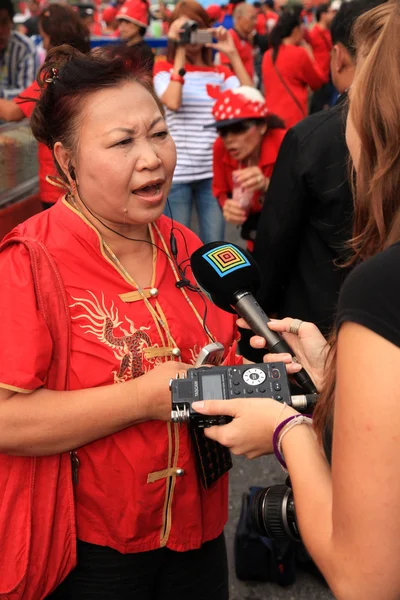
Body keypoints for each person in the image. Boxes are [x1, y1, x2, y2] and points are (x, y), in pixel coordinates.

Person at [0, 45, 241, 600]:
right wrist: (144, 398)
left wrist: (265, 374)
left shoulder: (187, 245)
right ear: (65, 161)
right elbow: (8, 420)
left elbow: (210, 366)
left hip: (200, 534)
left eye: (158, 133)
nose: (153, 157)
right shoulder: (31, 262)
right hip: (90, 553)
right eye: (122, 142)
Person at [193, 3, 400, 598]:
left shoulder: (381, 288)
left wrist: (286, 429)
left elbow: (366, 579)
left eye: (354, 105)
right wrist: (334, 370)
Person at [245, 0, 382, 345]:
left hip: (320, 331)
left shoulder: (313, 137)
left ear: (339, 56)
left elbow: (275, 243)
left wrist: (257, 324)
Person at [153, 0, 252, 244]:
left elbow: (250, 99)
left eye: (195, 28)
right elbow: (173, 101)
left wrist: (230, 52)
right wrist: (180, 52)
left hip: (213, 173)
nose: (191, 36)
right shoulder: (164, 68)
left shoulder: (220, 73)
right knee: (178, 247)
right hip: (178, 173)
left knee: (214, 247)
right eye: (185, 29)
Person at [0, 4, 90, 209]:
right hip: (87, 180)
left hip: (56, 184)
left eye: (43, 36)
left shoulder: (52, 75)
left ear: (51, 36)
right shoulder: (88, 67)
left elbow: (13, 111)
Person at [208, 85, 286, 249]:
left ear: (262, 126)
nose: (229, 139)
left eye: (238, 128)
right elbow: (220, 190)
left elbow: (303, 196)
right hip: (253, 233)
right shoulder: (220, 147)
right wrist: (227, 206)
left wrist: (267, 184)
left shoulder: (285, 143)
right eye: (222, 131)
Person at [261, 11, 326, 128]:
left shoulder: (267, 55)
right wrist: (310, 54)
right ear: (295, 30)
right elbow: (318, 82)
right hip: (293, 118)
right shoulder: (299, 53)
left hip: (271, 118)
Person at [0, 0, 38, 100]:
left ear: (11, 23)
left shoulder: (25, 48)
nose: (0, 30)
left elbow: (27, 96)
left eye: (4, 22)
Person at [308, 2, 335, 112]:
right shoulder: (313, 32)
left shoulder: (329, 31)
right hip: (319, 76)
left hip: (329, 74)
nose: (332, 15)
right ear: (323, 15)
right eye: (329, 12)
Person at [220, 3, 257, 81]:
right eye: (252, 18)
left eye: (255, 18)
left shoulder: (247, 38)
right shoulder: (230, 38)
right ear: (239, 19)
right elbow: (226, 69)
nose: (255, 22)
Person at [116, 0, 154, 71]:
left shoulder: (145, 52)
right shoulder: (121, 46)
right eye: (120, 21)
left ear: (139, 24)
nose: (122, 26)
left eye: (127, 21)